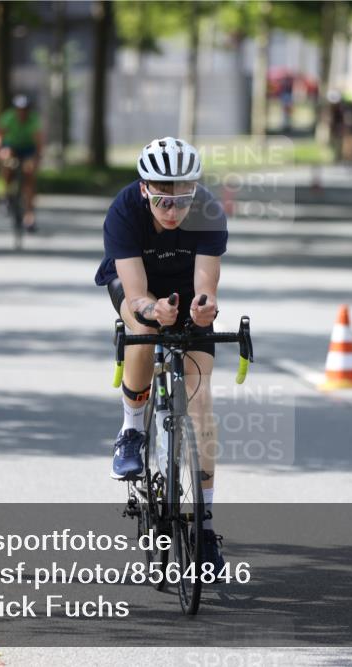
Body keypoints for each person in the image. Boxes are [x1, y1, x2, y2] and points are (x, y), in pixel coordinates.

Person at [94, 136, 227, 568]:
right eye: (163, 201)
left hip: (185, 289)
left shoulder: (207, 210)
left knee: (201, 402)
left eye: (182, 201)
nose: (173, 211)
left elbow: (206, 286)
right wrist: (154, 311)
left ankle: (204, 528)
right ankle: (132, 429)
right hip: (138, 285)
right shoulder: (124, 210)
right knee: (145, 328)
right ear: (144, 189)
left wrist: (203, 308)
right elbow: (135, 295)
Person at [0, 93, 43, 232]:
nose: (22, 113)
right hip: (12, 147)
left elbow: (39, 142)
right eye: (19, 109)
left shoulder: (34, 120)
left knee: (29, 176)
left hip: (28, 148)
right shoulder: (8, 118)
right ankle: (5, 196)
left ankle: (29, 216)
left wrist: (37, 159)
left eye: (25, 110)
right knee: (7, 163)